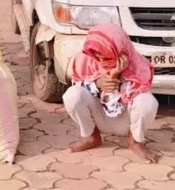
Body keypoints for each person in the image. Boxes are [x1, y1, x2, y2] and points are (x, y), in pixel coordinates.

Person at [62, 23, 158, 163]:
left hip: (127, 120)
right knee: (72, 95)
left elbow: (130, 97)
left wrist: (115, 75)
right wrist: (97, 84)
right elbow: (78, 85)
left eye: (105, 57)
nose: (100, 61)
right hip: (99, 117)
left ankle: (135, 141)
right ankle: (91, 136)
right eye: (97, 57)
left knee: (148, 102)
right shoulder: (86, 60)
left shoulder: (138, 66)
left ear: (119, 51)